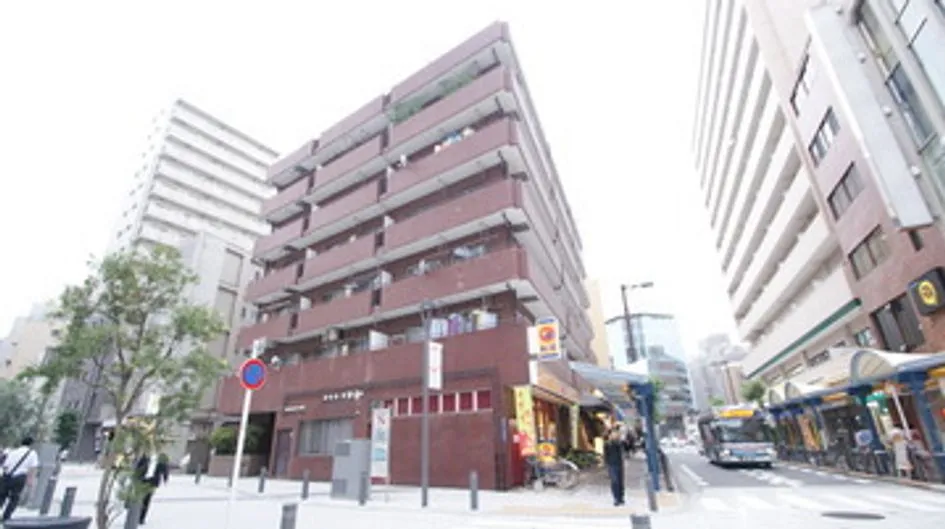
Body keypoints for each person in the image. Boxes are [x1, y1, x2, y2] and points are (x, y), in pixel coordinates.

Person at [0, 436, 40, 521]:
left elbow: (5, 465)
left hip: (7, 476)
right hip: (20, 477)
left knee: (2, 495)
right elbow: (33, 468)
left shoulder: (13, 451)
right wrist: (30, 480)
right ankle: (6, 517)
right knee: (14, 498)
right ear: (31, 444)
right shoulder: (32, 453)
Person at [133, 452, 169, 525]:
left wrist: (165, 478)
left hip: (150, 482)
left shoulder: (158, 460)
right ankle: (138, 517)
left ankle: (140, 518)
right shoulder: (145, 458)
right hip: (144, 481)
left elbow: (165, 469)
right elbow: (138, 468)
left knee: (145, 500)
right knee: (141, 499)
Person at [603, 428, 626, 506]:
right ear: (610, 435)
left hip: (620, 464)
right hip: (611, 465)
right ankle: (616, 498)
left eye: (616, 434)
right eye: (613, 434)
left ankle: (621, 497)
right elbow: (606, 455)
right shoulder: (607, 444)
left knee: (620, 481)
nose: (615, 435)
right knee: (614, 481)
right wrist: (606, 465)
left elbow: (623, 450)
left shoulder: (619, 443)